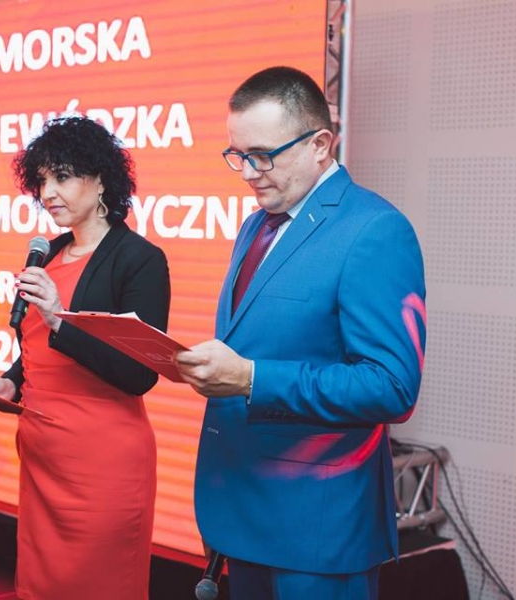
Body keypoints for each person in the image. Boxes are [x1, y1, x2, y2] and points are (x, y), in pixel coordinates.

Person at [174, 66, 427, 600]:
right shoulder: (257, 224)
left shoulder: (374, 230)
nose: (248, 172)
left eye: (263, 155)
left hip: (317, 530)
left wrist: (252, 378)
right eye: (237, 155)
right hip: (243, 508)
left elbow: (391, 387)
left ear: (319, 144)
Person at [0, 115, 170, 600]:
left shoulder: (140, 260)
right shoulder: (48, 253)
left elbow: (140, 373)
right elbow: (35, 345)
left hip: (102, 466)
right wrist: (10, 383)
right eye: (41, 181)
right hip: (42, 459)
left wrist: (59, 318)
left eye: (62, 177)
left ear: (100, 180)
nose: (48, 192)